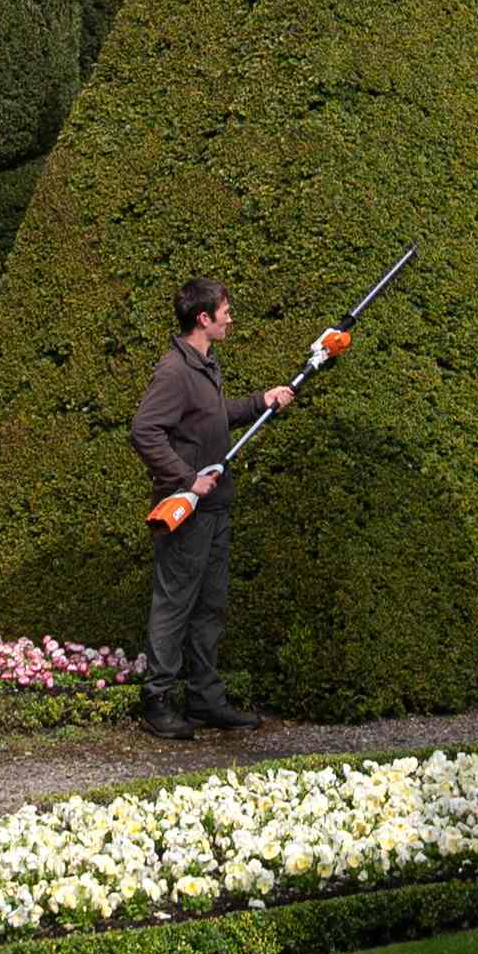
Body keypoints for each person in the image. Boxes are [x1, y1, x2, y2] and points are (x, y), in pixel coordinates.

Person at [127, 273, 293, 740]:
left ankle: (204, 698)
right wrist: (187, 479)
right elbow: (144, 431)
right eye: (225, 311)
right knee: (175, 603)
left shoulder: (205, 365)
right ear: (204, 318)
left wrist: (263, 400)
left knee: (209, 606)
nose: (231, 317)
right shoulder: (174, 371)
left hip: (216, 509)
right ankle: (157, 699)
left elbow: (212, 417)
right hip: (186, 511)